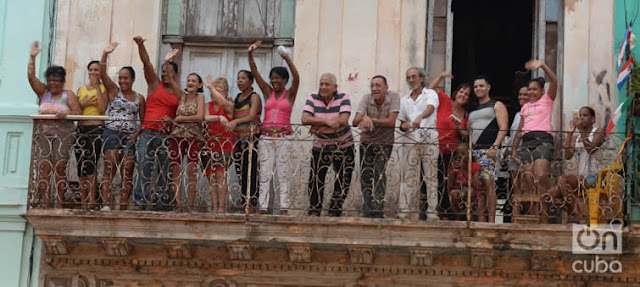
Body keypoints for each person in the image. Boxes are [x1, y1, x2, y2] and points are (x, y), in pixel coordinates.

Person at [247, 41, 300, 215]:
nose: (274, 80)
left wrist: (287, 58)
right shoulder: (267, 92)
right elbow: (255, 74)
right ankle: (263, 207)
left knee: (283, 174)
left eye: (278, 78)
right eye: (273, 78)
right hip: (266, 137)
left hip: (284, 137)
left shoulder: (290, 93)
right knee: (265, 174)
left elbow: (297, 78)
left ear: (285, 80)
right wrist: (250, 55)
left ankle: (284, 208)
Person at [28, 41, 81, 208]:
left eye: (57, 80)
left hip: (64, 134)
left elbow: (78, 113)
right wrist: (32, 57)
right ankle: (47, 201)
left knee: (59, 166)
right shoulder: (44, 92)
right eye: (51, 80)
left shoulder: (68, 94)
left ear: (63, 81)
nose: (53, 83)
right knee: (44, 167)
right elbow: (31, 77)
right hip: (44, 134)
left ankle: (59, 200)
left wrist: (67, 113)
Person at [133, 36, 180, 210]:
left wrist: (173, 121)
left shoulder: (178, 93)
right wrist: (141, 45)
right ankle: (141, 202)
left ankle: (160, 202)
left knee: (162, 170)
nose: (163, 74)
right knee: (144, 167)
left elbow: (184, 113)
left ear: (175, 74)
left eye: (167, 71)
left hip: (166, 135)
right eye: (162, 71)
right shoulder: (155, 84)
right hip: (148, 132)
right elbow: (146, 64)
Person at [99, 42, 145, 211]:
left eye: (126, 78)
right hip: (112, 132)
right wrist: (105, 53)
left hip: (130, 136)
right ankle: (105, 205)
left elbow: (143, 120)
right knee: (109, 169)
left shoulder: (139, 97)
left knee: (127, 172)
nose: (122, 81)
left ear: (132, 80)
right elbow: (102, 74)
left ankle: (123, 206)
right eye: (120, 77)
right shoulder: (113, 90)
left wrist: (137, 133)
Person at [511, 60, 558, 222]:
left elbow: (555, 81)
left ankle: (544, 218)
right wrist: (514, 149)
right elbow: (520, 130)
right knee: (529, 179)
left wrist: (543, 66)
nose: (531, 92)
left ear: (541, 91)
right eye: (529, 89)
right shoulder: (525, 107)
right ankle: (533, 216)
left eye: (534, 89)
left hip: (543, 139)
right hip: (527, 141)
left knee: (541, 178)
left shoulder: (547, 100)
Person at [302, 73, 355, 217]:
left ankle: (334, 210)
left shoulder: (343, 96)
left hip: (344, 145)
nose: (323, 87)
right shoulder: (313, 96)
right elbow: (305, 119)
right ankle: (314, 209)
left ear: (335, 87)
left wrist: (316, 125)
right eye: (321, 84)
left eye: (327, 84)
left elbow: (343, 120)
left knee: (343, 180)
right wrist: (326, 122)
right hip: (321, 145)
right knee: (315, 179)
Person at [162, 49, 205, 212]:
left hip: (194, 136)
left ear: (199, 85)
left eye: (194, 81)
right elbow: (172, 81)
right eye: (188, 80)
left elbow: (200, 116)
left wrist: (179, 119)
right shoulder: (182, 96)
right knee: (176, 170)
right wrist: (167, 62)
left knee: (192, 170)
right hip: (177, 136)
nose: (190, 83)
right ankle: (180, 205)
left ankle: (191, 206)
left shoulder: (201, 98)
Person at [547, 106, 605, 223]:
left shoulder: (598, 131)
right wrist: (569, 134)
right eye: (580, 115)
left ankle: (578, 218)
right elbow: (568, 155)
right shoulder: (577, 137)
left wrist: (581, 130)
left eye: (585, 115)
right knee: (549, 195)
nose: (581, 118)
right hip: (581, 178)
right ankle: (577, 215)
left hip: (596, 177)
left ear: (593, 119)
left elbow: (590, 149)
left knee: (564, 180)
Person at [352, 75, 400, 218]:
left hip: (385, 143)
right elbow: (355, 121)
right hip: (366, 142)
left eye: (378, 85)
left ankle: (378, 209)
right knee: (366, 174)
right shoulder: (366, 98)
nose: (374, 88)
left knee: (379, 173)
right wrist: (363, 118)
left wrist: (370, 119)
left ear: (386, 88)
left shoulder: (394, 97)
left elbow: (391, 122)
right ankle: (367, 208)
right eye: (372, 85)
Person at [397, 67, 440, 220]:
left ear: (421, 79)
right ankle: (405, 210)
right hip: (410, 140)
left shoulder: (431, 94)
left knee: (431, 176)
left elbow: (430, 108)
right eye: (408, 77)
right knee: (408, 176)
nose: (411, 80)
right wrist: (406, 125)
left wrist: (419, 118)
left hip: (429, 139)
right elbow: (402, 124)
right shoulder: (404, 100)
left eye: (414, 77)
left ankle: (432, 212)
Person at [429, 71, 471, 219]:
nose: (462, 95)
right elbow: (431, 88)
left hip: (451, 152)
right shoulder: (445, 101)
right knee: (431, 179)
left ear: (467, 99)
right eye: (461, 92)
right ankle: (432, 211)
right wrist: (441, 76)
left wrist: (459, 128)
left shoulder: (466, 114)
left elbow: (466, 135)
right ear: (455, 93)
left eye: (466, 94)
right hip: (434, 147)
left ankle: (446, 212)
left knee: (446, 181)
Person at [467, 75, 508, 223]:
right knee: (479, 187)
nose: (478, 88)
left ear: (488, 87)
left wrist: (495, 146)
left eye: (481, 86)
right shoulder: (473, 109)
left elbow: (503, 127)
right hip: (475, 151)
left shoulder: (496, 105)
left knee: (489, 185)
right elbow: (468, 132)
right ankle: (481, 220)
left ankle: (491, 222)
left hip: (489, 150)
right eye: (476, 86)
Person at [226, 70, 261, 212]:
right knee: (241, 172)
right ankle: (243, 201)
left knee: (251, 172)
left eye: (243, 78)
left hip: (252, 139)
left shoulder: (255, 97)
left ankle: (251, 204)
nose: (239, 81)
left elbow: (252, 116)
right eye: (238, 78)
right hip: (239, 140)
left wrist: (236, 120)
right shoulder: (237, 97)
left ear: (251, 81)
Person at [74, 60, 107, 208]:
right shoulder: (81, 90)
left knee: (92, 164)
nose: (93, 72)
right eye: (91, 70)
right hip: (81, 129)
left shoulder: (103, 88)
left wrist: (97, 87)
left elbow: (101, 107)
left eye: (97, 70)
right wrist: (84, 103)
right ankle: (83, 201)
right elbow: (76, 109)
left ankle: (92, 200)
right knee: (81, 165)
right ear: (88, 72)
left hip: (96, 129)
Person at [202, 76, 234, 213]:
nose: (214, 93)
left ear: (226, 93)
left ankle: (221, 208)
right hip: (209, 145)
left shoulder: (229, 105)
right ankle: (214, 207)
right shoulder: (206, 105)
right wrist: (219, 118)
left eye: (218, 90)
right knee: (211, 177)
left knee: (221, 176)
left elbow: (228, 110)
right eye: (213, 90)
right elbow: (205, 118)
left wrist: (211, 88)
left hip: (225, 144)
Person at [506, 85, 530, 208]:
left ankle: (527, 217)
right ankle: (516, 215)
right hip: (513, 155)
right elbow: (514, 134)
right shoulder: (517, 114)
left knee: (526, 187)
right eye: (520, 94)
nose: (522, 97)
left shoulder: (533, 113)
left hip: (525, 154)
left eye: (525, 94)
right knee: (516, 188)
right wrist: (508, 150)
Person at [448, 144, 484, 221]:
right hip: (459, 192)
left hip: (472, 193)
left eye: (463, 154)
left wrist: (464, 170)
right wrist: (454, 172)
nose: (461, 156)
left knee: (470, 192)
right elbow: (450, 186)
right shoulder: (455, 166)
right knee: (453, 193)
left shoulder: (474, 166)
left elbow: (476, 186)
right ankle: (458, 215)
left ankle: (470, 215)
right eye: (459, 154)